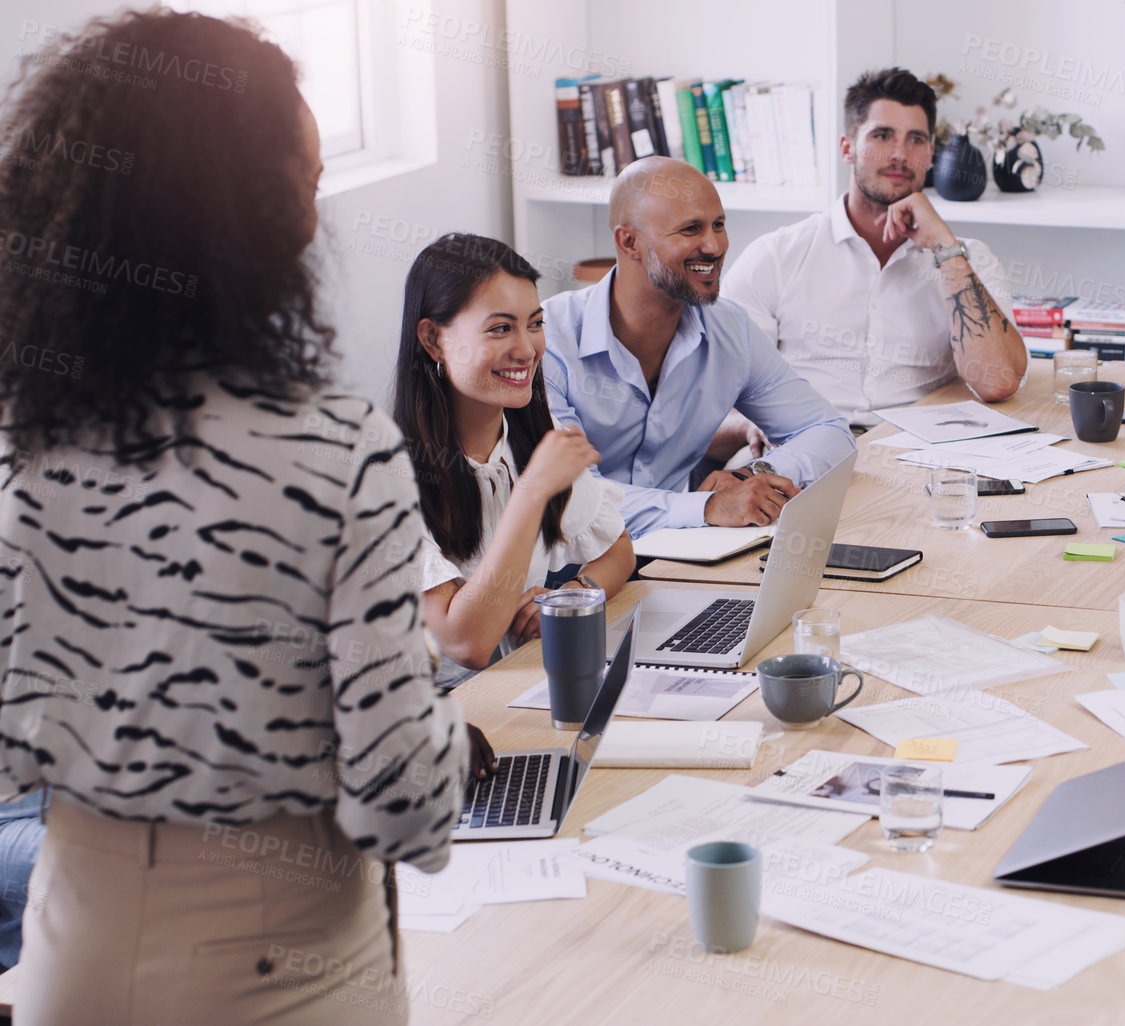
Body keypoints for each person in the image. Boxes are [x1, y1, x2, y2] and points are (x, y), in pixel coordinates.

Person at [0, 11, 482, 1021]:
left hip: (70, 953)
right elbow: (405, 810)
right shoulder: (334, 451)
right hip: (283, 966)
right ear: (250, 229)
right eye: (303, 188)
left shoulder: (21, 439)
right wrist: (447, 730)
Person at [541, 156, 855, 534]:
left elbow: (832, 433)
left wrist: (754, 475)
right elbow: (572, 498)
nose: (714, 246)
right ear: (630, 242)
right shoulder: (547, 340)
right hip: (572, 578)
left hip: (680, 556)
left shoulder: (730, 329)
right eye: (691, 230)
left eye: (719, 225)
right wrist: (706, 507)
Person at [721, 68, 1026, 436]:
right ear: (847, 147)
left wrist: (945, 247)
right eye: (882, 136)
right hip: (801, 445)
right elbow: (719, 397)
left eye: (915, 139)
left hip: (917, 454)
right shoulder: (775, 256)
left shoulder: (968, 258)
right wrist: (753, 429)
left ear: (931, 154)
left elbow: (997, 383)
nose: (900, 154)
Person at [393, 233, 635, 687]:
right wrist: (532, 490)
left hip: (515, 684)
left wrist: (572, 596)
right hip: (433, 719)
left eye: (535, 323)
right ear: (432, 339)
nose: (527, 349)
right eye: (500, 328)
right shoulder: (387, 476)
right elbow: (466, 644)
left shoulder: (530, 439)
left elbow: (618, 552)